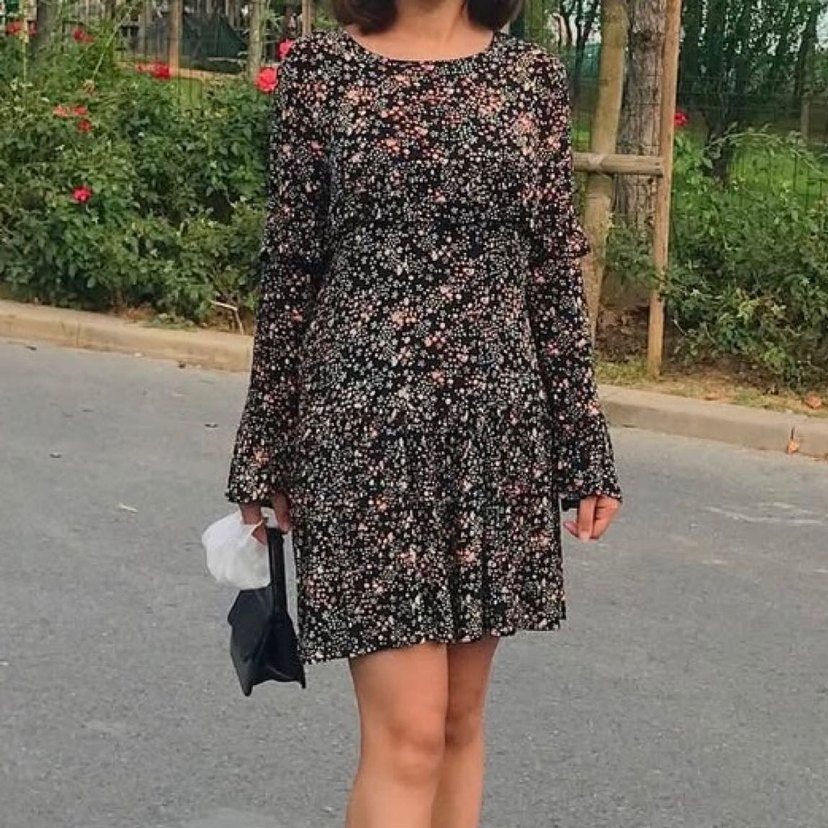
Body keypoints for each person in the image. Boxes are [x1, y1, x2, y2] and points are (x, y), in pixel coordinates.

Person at [224, 0, 622, 825]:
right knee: (406, 735)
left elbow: (552, 271)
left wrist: (584, 446)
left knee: (456, 724)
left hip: (496, 428)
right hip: (363, 428)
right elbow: (292, 265)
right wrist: (264, 447)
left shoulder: (532, 77)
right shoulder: (321, 71)